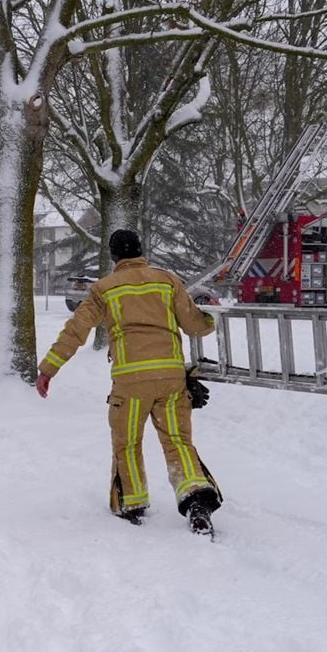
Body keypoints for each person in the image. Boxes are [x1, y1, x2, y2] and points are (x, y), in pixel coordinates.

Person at [35, 229, 222, 535]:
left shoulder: (104, 289)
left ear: (114, 257)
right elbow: (194, 325)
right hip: (171, 379)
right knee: (178, 443)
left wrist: (48, 369)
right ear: (140, 251)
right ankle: (196, 501)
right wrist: (211, 318)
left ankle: (131, 503)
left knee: (128, 443)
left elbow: (76, 331)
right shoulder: (167, 280)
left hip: (131, 382)